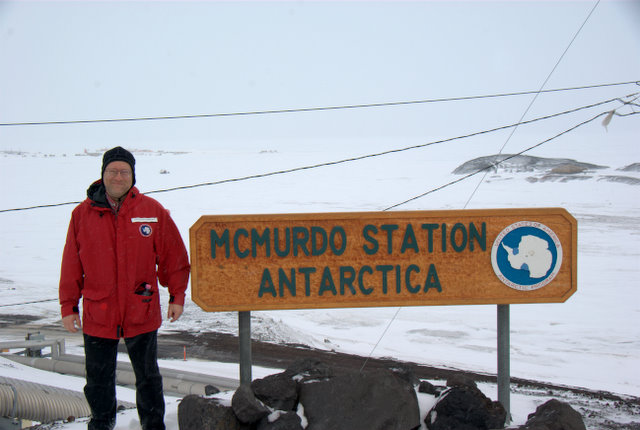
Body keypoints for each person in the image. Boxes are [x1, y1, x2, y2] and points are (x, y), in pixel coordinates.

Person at [59, 146, 190, 430]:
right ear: (102, 175)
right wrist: (68, 305)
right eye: (112, 171)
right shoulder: (81, 215)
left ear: (132, 175)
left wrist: (177, 295)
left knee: (148, 379)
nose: (118, 176)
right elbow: (71, 263)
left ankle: (153, 426)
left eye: (124, 171)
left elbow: (174, 257)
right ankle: (101, 424)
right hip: (99, 313)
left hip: (140, 310)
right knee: (98, 381)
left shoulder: (151, 211)